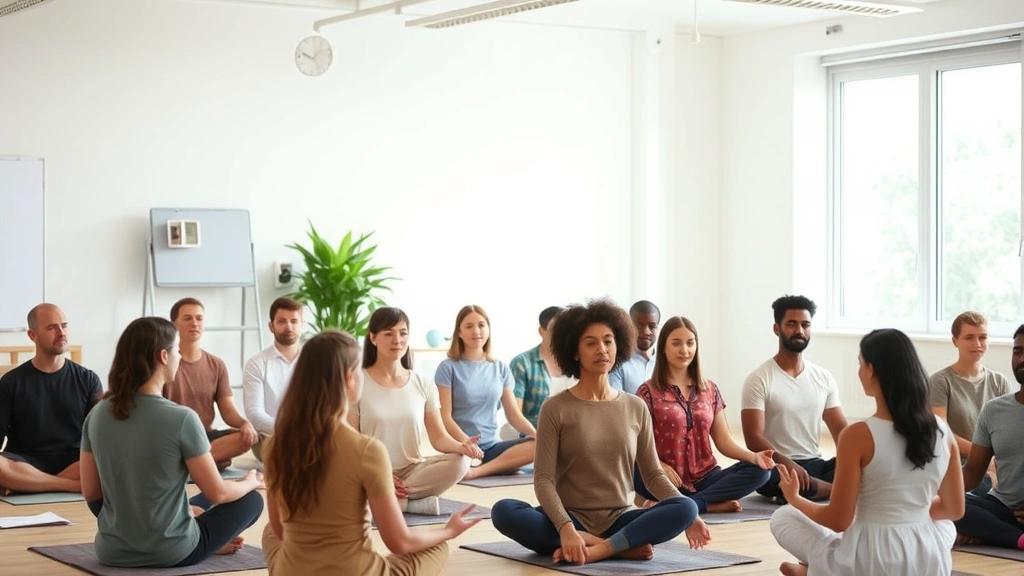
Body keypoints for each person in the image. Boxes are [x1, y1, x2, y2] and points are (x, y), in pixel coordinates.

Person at [491, 299, 708, 566]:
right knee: (504, 511)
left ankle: (601, 548)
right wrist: (566, 528)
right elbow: (544, 479)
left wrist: (692, 516)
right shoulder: (555, 408)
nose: (601, 349)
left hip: (620, 518)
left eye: (608, 341)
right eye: (590, 343)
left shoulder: (635, 406)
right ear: (575, 351)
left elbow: (652, 475)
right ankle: (616, 546)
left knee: (686, 506)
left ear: (618, 346)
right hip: (570, 518)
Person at [262, 330, 482, 575]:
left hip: (292, 570)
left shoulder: (274, 445)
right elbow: (399, 542)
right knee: (437, 547)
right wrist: (447, 531)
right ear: (349, 378)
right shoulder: (367, 450)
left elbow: (281, 530)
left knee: (270, 531)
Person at [770, 328, 963, 576]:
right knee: (946, 526)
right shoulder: (943, 431)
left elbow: (838, 519)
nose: (859, 371)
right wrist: (910, 509)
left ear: (871, 369)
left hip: (871, 561)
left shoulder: (857, 435)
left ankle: (816, 571)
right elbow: (955, 510)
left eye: (860, 363)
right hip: (927, 557)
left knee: (784, 516)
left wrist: (795, 498)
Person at [80, 317, 264, 568]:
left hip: (111, 551)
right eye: (177, 350)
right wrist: (249, 482)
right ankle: (208, 539)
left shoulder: (97, 413)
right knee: (251, 500)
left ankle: (187, 520)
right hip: (172, 551)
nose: (180, 356)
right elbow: (218, 493)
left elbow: (91, 493)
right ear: (163, 356)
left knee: (191, 502)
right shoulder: (182, 418)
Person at [634, 316, 774, 513]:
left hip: (705, 477)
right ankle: (698, 504)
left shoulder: (710, 390)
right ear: (663, 347)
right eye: (676, 343)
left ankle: (687, 505)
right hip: (663, 477)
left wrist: (754, 457)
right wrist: (659, 465)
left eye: (690, 343)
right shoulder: (647, 392)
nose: (685, 350)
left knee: (762, 473)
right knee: (640, 473)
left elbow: (724, 442)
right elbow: (637, 445)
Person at [353, 307, 482, 516]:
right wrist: (378, 476)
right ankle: (408, 504)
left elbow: (439, 438)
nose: (397, 340)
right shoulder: (356, 383)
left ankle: (383, 500)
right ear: (373, 338)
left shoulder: (423, 384)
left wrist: (463, 447)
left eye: (403, 333)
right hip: (370, 471)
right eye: (388, 333)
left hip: (411, 472)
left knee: (460, 461)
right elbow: (350, 441)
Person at [741, 295, 847, 502]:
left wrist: (860, 460)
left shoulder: (823, 377)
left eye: (805, 325)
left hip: (815, 466)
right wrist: (788, 463)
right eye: (791, 324)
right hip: (778, 467)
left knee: (865, 466)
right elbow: (753, 438)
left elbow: (842, 431)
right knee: (758, 473)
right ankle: (840, 492)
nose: (799, 330)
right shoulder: (759, 378)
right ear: (776, 329)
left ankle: (804, 491)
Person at [0, 303, 102, 494]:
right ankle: (66, 486)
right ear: (33, 335)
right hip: (26, 464)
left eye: (64, 325)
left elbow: (99, 440)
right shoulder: (10, 383)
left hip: (75, 463)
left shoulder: (88, 380)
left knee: (104, 456)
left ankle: (32, 486)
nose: (61, 333)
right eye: (51, 327)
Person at [435, 305, 536, 481]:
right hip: (459, 448)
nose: (476, 331)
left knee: (539, 446)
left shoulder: (500, 368)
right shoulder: (448, 368)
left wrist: (539, 435)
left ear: (488, 329)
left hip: (491, 448)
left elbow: (513, 416)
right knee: (455, 462)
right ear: (459, 332)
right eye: (469, 326)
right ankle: (490, 467)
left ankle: (478, 472)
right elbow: (445, 417)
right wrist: (467, 444)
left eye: (481, 325)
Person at [163, 298, 257, 469]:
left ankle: (188, 464)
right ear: (173, 324)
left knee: (246, 438)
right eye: (187, 318)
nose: (194, 323)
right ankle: (207, 462)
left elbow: (228, 411)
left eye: (199, 318)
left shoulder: (217, 364)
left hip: (205, 436)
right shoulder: (164, 362)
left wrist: (245, 424)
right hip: (173, 439)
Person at [954, 323, 1024, 551]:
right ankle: (1015, 538)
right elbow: (973, 472)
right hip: (1002, 506)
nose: (1022, 358)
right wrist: (937, 490)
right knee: (950, 504)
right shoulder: (994, 410)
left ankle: (988, 533)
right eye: (1017, 351)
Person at [928, 311, 1010, 497]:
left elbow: (1007, 431)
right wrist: (982, 457)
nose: (977, 344)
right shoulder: (940, 382)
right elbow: (940, 431)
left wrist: (996, 464)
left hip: (995, 465)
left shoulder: (999, 381)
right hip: (958, 466)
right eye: (969, 338)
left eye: (983, 337)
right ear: (955, 341)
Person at [242, 297, 303, 461]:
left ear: (302, 325)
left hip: (309, 436)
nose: (289, 326)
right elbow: (254, 413)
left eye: (294, 321)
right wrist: (290, 431)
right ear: (271, 326)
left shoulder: (316, 361)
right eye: (282, 321)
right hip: (271, 438)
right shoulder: (256, 364)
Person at [510, 306, 566, 430]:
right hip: (537, 435)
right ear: (541, 331)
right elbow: (515, 414)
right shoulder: (522, 363)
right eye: (555, 329)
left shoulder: (579, 361)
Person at [609, 300, 660, 394]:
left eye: (652, 326)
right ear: (629, 325)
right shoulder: (618, 361)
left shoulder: (666, 361)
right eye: (639, 326)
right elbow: (617, 401)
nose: (646, 332)